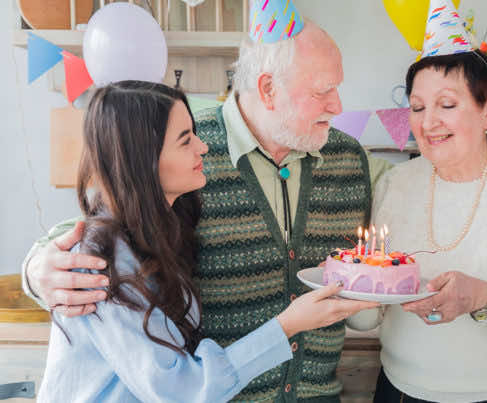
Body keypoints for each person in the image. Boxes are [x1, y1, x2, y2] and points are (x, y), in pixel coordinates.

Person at [22, 16, 487, 403]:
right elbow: (107, 222)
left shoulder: (348, 159)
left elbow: (430, 176)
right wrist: (38, 267)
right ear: (268, 88)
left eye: (338, 87)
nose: (337, 104)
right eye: (322, 90)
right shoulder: (187, 150)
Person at [37, 81, 378, 402]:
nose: (203, 146)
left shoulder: (159, 230)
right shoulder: (101, 263)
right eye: (185, 140)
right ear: (142, 159)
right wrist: (287, 325)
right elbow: (183, 390)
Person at [347, 4, 487, 399]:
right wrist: (355, 292)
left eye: (448, 105)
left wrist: (482, 298)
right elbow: (371, 315)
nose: (428, 122)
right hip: (401, 391)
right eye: (418, 107)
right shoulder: (394, 183)